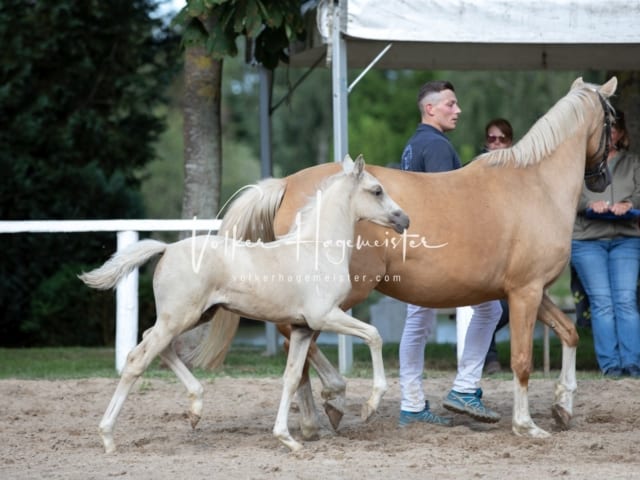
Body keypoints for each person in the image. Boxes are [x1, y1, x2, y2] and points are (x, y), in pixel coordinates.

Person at [398, 80, 503, 427]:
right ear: (430, 108)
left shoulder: (414, 145)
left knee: (417, 323)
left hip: (414, 247)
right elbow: (449, 207)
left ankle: (412, 403)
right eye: (450, 104)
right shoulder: (438, 147)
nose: (457, 110)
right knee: (490, 309)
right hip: (440, 250)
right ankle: (465, 386)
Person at [571, 110, 640, 378]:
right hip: (588, 240)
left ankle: (632, 367)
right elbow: (566, 197)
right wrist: (590, 204)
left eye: (613, 128)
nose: (608, 133)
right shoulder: (580, 163)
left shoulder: (633, 162)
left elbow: (639, 193)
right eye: (603, 128)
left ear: (621, 133)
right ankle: (610, 367)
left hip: (626, 239)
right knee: (602, 303)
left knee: (625, 301)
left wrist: (630, 204)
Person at [480, 118, 514, 375]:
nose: (497, 143)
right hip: (484, 248)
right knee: (489, 306)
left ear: (510, 142)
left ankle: (483, 353)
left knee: (508, 306)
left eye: (502, 139)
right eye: (492, 139)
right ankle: (488, 357)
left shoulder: (520, 172)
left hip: (512, 249)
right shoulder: (477, 168)